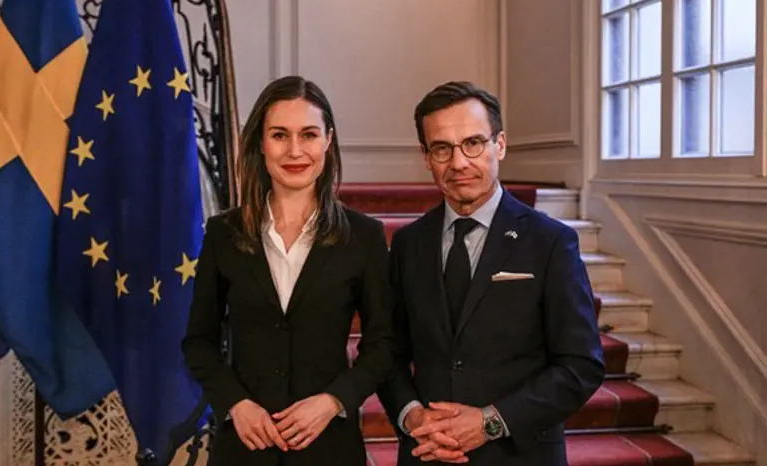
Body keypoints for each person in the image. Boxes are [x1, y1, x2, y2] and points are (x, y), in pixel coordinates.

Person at [376, 81, 605, 465]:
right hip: (427, 453)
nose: (458, 163)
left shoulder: (551, 242)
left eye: (473, 143)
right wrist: (413, 416)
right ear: (426, 157)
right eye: (442, 148)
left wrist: (490, 423)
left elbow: (581, 365)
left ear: (499, 144)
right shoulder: (407, 244)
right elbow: (388, 354)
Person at [182, 75, 394, 466]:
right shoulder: (223, 233)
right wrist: (236, 404)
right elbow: (198, 342)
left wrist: (333, 401)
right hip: (244, 447)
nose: (295, 150)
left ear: (328, 141)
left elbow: (383, 344)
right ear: (261, 144)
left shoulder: (363, 236)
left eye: (308, 134)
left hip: (329, 447)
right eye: (280, 135)